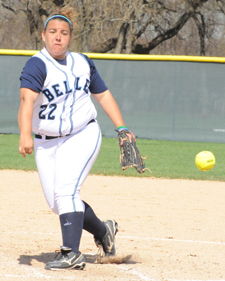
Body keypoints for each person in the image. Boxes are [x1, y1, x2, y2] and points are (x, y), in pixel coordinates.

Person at [18, 7, 130, 271]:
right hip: (46, 142)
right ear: (44, 35)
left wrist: (122, 128)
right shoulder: (37, 64)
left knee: (67, 191)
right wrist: (25, 133)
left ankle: (72, 253)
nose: (58, 38)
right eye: (53, 32)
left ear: (70, 37)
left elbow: (103, 95)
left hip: (83, 134)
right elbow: (27, 100)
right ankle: (104, 231)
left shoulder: (83, 62)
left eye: (64, 33)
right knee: (58, 203)